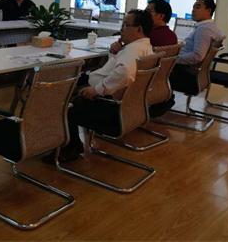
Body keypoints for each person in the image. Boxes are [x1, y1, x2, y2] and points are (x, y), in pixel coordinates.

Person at [45, 9, 154, 162]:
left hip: (110, 106)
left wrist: (96, 90)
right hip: (129, 108)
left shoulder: (132, 50)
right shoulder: (144, 47)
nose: (121, 29)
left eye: (125, 25)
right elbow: (116, 70)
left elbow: (124, 73)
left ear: (139, 29)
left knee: (63, 100)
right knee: (72, 87)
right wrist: (114, 54)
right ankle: (68, 143)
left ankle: (70, 147)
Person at [170, 0, 224, 93]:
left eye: (198, 7)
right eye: (193, 7)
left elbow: (197, 56)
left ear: (208, 10)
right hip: (194, 72)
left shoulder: (204, 29)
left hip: (186, 73)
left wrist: (173, 60)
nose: (193, 10)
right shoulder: (210, 27)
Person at [109, 0, 177, 55]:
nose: (145, 14)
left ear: (161, 16)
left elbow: (126, 52)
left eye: (148, 11)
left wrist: (116, 50)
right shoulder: (172, 36)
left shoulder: (148, 36)